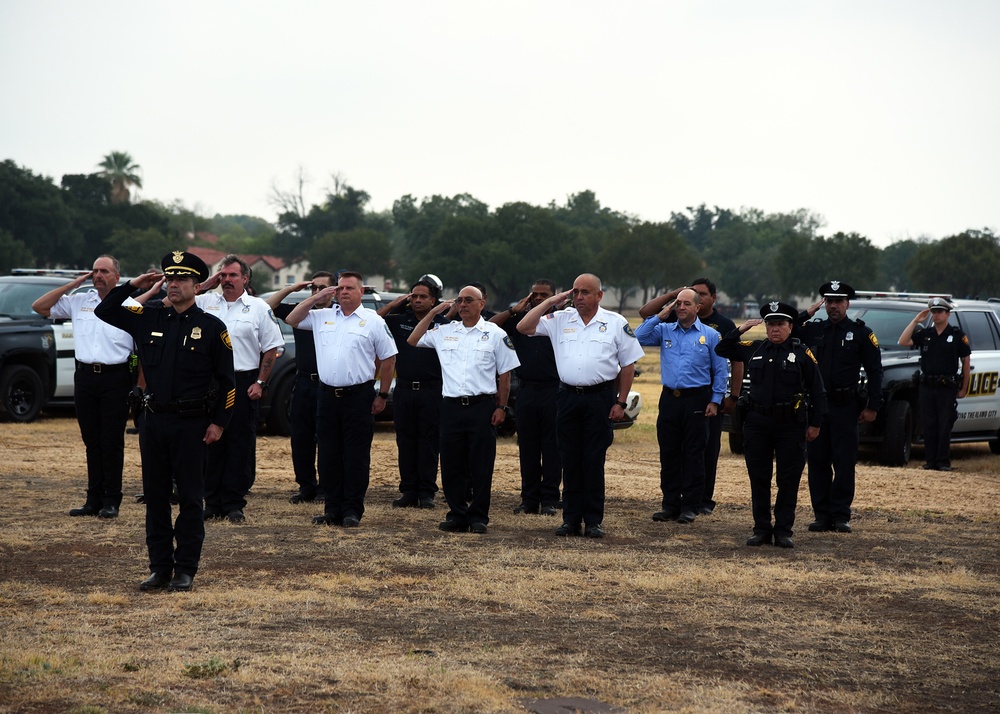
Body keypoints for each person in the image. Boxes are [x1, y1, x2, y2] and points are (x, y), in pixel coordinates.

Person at [95, 251, 235, 592]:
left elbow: (229, 383)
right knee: (155, 498)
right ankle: (160, 567)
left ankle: (185, 568)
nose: (173, 284)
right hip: (154, 421)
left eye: (182, 279)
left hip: (192, 424)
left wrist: (219, 424)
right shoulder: (148, 316)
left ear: (197, 286)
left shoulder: (213, 328)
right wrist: (132, 285)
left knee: (189, 498)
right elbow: (105, 310)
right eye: (170, 278)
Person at [517, 274, 644, 538]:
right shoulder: (560, 319)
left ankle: (594, 520)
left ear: (599, 295)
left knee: (593, 459)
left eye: (585, 292)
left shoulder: (615, 322)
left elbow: (628, 364)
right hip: (566, 398)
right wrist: (552, 301)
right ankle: (571, 519)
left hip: (599, 398)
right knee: (569, 459)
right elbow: (523, 327)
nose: (579, 298)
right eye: (575, 293)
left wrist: (621, 401)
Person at [286, 271, 397, 527]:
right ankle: (332, 509)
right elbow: (292, 319)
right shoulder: (322, 316)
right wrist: (318, 296)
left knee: (355, 456)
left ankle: (352, 510)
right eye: (340, 288)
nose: (343, 292)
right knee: (328, 455)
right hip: (326, 396)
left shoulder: (372, 321)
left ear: (361, 292)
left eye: (349, 288)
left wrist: (382, 394)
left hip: (358, 396)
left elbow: (389, 358)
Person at [32, 255, 138, 519]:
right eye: (95, 271)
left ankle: (111, 500)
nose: (98, 275)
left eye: (104, 271)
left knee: (111, 441)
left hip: (116, 378)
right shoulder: (80, 301)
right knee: (92, 441)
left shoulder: (130, 306)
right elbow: (39, 307)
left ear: (117, 276)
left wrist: (138, 385)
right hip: (86, 377)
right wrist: (73, 284)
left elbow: (141, 350)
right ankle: (93, 500)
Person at [407, 285, 519, 534]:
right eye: (460, 300)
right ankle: (456, 514)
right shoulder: (445, 332)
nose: (464, 304)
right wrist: (435, 312)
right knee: (451, 464)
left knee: (481, 464)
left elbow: (505, 374)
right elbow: (413, 339)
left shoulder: (495, 333)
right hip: (451, 407)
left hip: (481, 407)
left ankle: (478, 516)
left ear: (482, 303)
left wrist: (501, 406)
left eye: (469, 300)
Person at [716, 302, 827, 548]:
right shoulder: (754, 349)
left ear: (790, 327)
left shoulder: (802, 353)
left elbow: (818, 392)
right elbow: (722, 347)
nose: (775, 329)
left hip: (790, 424)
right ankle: (761, 529)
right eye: (771, 325)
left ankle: (784, 530)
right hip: (758, 422)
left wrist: (816, 424)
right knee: (759, 477)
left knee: (788, 478)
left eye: (780, 324)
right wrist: (741, 328)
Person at [638, 278, 743, 514]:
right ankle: (670, 505)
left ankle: (691, 505)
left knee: (695, 453)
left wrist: (716, 400)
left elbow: (720, 371)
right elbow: (640, 336)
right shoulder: (665, 330)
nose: (681, 308)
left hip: (697, 399)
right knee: (669, 452)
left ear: (698, 308)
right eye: (678, 304)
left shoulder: (711, 335)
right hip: (670, 399)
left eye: (687, 304)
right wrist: (661, 315)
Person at [194, 255, 283, 523]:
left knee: (239, 444)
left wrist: (260, 382)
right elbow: (181, 296)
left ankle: (234, 503)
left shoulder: (258, 307)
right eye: (223, 275)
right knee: (210, 442)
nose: (227, 280)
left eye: (233, 275)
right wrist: (208, 283)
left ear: (246, 278)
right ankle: (211, 501)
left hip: (243, 382)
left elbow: (271, 347)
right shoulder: (205, 302)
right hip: (210, 383)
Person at [795, 281, 884, 533]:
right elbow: (789, 329)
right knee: (818, 462)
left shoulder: (861, 333)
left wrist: (873, 406)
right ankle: (821, 515)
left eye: (838, 302)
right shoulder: (814, 331)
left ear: (847, 304)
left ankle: (841, 515)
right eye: (829, 302)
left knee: (844, 463)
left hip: (846, 407)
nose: (833, 306)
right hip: (817, 409)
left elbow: (875, 371)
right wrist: (807, 313)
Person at [490, 279, 563, 516]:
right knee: (528, 447)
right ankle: (529, 499)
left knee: (552, 447)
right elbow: (490, 325)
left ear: (554, 296)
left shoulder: (560, 321)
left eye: (544, 295)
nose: (539, 299)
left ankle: (550, 499)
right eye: (534, 295)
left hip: (553, 389)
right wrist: (514, 310)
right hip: (526, 391)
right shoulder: (519, 323)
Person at [378, 275, 449, 509]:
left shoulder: (445, 325)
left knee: (429, 442)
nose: (418, 300)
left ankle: (427, 491)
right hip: (405, 389)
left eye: (423, 297)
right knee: (406, 441)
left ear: (434, 301)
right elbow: (374, 321)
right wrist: (394, 304)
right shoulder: (399, 321)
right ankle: (408, 490)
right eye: (414, 296)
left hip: (433, 390)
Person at [266, 271, 336, 504]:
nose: (317, 293)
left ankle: (327, 486)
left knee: (326, 438)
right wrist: (292, 289)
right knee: (301, 437)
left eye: (323, 288)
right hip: (304, 381)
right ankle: (306, 486)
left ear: (333, 290)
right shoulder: (301, 311)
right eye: (314, 288)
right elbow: (269, 306)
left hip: (327, 383)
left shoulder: (337, 314)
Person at [898, 297, 971, 472]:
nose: (936, 315)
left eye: (940, 312)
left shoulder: (956, 335)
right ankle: (930, 461)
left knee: (944, 424)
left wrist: (964, 387)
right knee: (929, 423)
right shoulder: (926, 334)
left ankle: (943, 461)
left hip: (947, 386)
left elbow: (966, 360)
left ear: (947, 314)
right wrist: (916, 320)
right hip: (927, 386)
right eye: (934, 312)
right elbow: (903, 341)